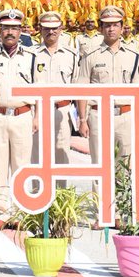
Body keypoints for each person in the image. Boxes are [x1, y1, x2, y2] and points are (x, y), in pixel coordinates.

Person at [0, 9, 36, 222]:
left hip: (23, 115)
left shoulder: (31, 56)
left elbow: (37, 88)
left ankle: (21, 211)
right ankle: (1, 211)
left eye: (15, 28)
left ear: (21, 31)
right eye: (6, 28)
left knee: (22, 165)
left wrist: (36, 116)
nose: (10, 32)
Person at [76, 5, 139, 166]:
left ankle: (121, 193)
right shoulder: (90, 56)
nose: (111, 29)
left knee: (125, 165)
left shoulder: (133, 56)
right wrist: (83, 120)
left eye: (115, 25)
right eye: (107, 25)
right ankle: (100, 193)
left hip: (125, 116)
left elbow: (138, 91)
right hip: (99, 115)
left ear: (122, 27)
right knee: (100, 163)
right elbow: (82, 89)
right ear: (101, 28)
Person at [31, 10, 80, 180]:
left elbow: (76, 86)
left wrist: (80, 117)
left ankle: (60, 198)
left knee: (62, 153)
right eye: (46, 28)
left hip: (63, 110)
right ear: (40, 29)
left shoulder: (71, 55)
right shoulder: (31, 54)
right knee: (37, 155)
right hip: (37, 112)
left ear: (61, 29)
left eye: (54, 28)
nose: (50, 32)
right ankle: (38, 198)